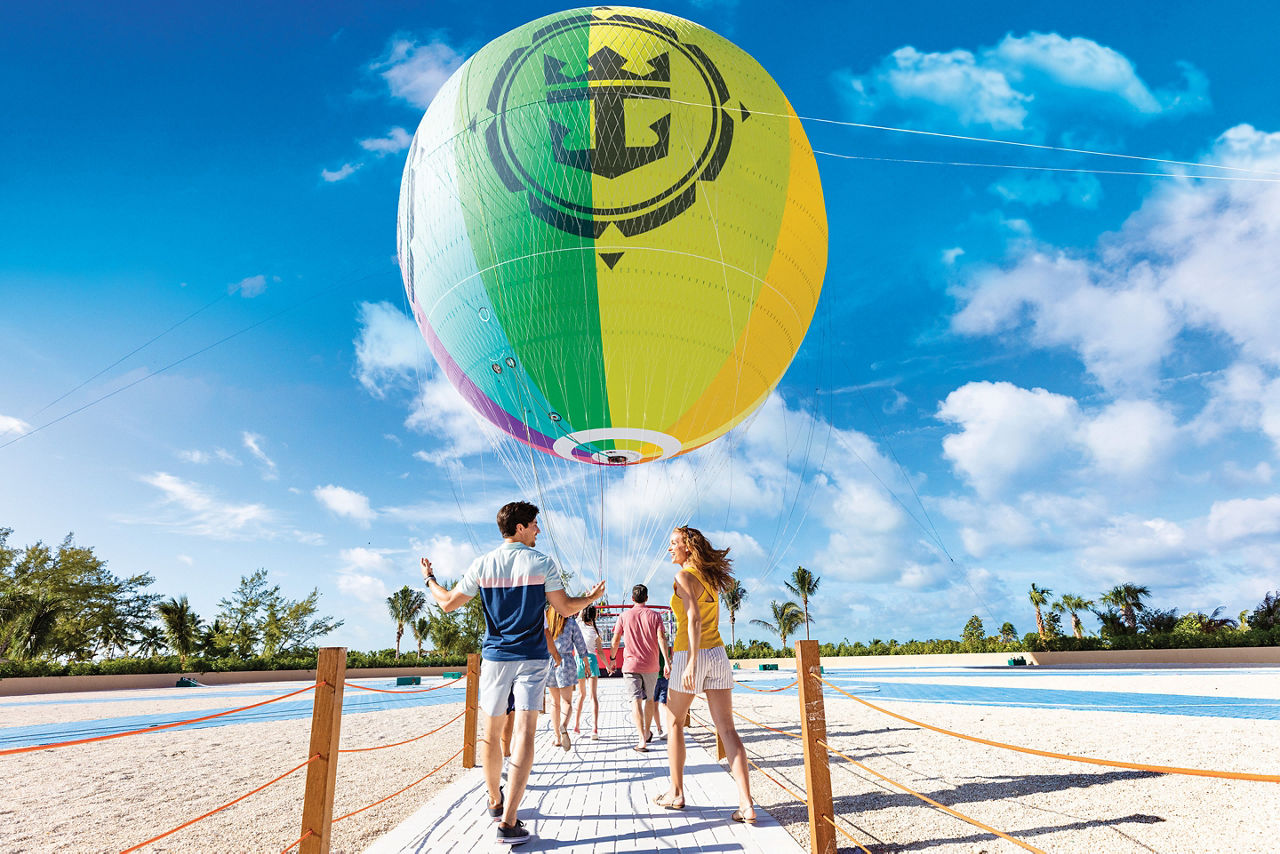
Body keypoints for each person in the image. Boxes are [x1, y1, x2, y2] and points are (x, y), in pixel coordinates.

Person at [422, 500, 605, 846]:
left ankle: (495, 801)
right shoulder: (541, 562)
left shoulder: (482, 563)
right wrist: (590, 597)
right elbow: (564, 607)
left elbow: (446, 603)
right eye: (535, 524)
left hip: (494, 658)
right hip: (532, 659)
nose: (538, 529)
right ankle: (508, 822)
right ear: (520, 527)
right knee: (524, 732)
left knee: (490, 734)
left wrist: (429, 578)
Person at [656, 525, 755, 822]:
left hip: (693, 654)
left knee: (673, 722)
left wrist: (690, 662)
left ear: (688, 546)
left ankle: (676, 793)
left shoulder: (683, 577)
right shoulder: (710, 579)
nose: (670, 548)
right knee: (727, 729)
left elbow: (694, 620)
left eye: (674, 543)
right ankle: (746, 804)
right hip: (718, 655)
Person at [609, 583, 670, 752]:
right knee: (650, 699)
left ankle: (641, 738)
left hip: (630, 665)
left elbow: (615, 641)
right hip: (651, 665)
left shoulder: (624, 616)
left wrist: (613, 658)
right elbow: (662, 639)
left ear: (632, 599)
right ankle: (647, 731)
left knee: (635, 700)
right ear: (647, 598)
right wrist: (667, 661)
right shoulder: (655, 616)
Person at [545, 607, 589, 750]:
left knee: (554, 702)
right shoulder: (570, 623)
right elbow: (580, 643)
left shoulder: (546, 622)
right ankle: (563, 725)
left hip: (549, 661)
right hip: (566, 662)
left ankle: (557, 737)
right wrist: (586, 663)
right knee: (567, 702)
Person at [573, 605, 607, 740]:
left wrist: (588, 599)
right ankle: (595, 728)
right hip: (592, 660)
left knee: (581, 695)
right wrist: (608, 665)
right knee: (593, 696)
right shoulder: (596, 632)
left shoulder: (578, 625)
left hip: (578, 660)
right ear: (594, 616)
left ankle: (576, 725)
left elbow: (580, 612)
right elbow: (600, 652)